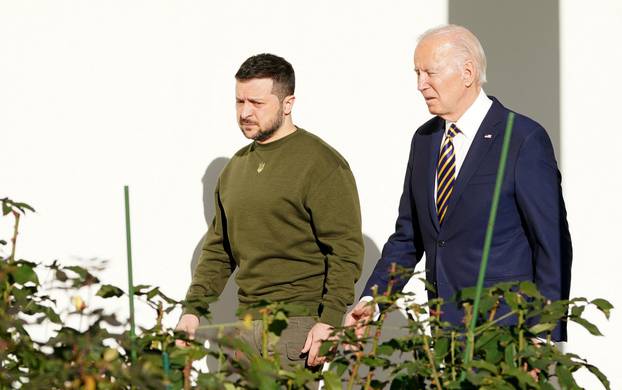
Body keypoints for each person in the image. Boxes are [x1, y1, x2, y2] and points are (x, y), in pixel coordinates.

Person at [345, 25, 572, 342]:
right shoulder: (425, 140)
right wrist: (372, 301)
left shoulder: (522, 138)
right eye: (417, 73)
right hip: (446, 338)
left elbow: (551, 243)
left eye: (430, 72)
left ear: (467, 73)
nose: (420, 84)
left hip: (506, 336)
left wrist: (541, 336)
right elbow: (409, 238)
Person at [175, 53, 364, 369]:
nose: (245, 112)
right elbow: (219, 251)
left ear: (287, 104)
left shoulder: (321, 164)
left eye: (257, 103)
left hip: (296, 328)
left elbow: (344, 251)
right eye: (239, 101)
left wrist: (330, 319)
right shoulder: (235, 169)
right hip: (244, 326)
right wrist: (192, 310)